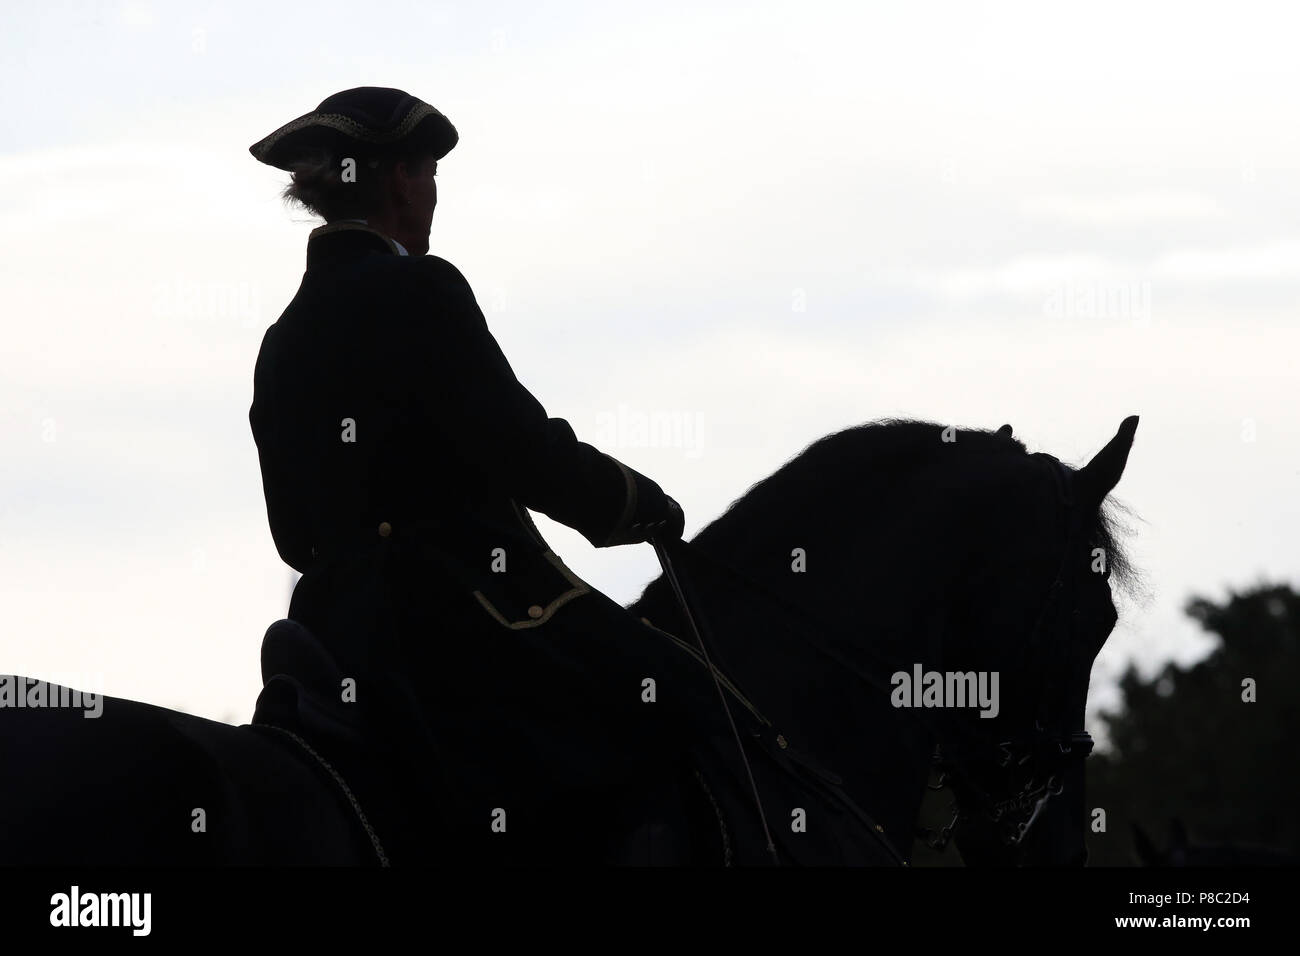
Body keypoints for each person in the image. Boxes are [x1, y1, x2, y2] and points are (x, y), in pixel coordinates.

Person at [246, 87, 740, 864]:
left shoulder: (282, 336)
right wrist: (639, 505)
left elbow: (293, 531)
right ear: (405, 179)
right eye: (429, 173)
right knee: (680, 698)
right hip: (465, 609)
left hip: (334, 628)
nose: (433, 195)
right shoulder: (420, 287)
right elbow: (522, 448)